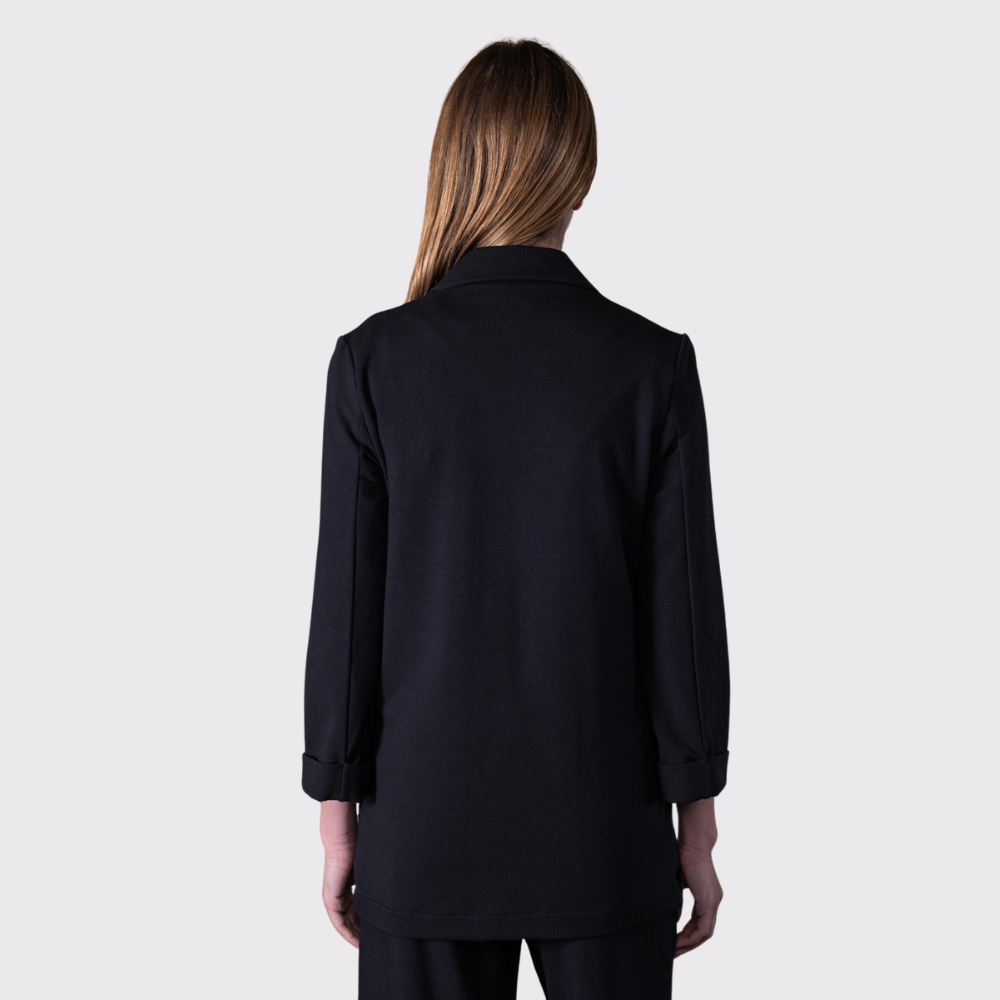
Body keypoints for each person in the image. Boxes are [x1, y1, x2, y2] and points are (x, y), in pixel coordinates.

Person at [301, 38, 730, 999]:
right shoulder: (650, 365)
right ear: (579, 173)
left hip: (425, 828)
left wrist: (337, 819)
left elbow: (346, 616)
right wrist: (697, 830)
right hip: (606, 833)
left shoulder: (373, 363)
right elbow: (685, 626)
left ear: (455, 163)